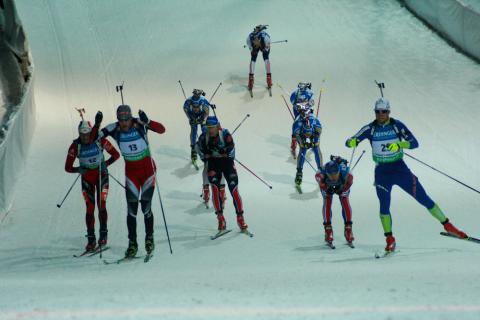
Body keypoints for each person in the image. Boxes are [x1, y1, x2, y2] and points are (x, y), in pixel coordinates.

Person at [345, 97, 467, 253]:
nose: (381, 114)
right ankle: (389, 239)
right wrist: (352, 142)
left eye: (384, 111)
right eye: (378, 111)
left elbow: (414, 143)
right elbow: (350, 141)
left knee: (423, 198)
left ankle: (448, 226)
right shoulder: (370, 129)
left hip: (400, 169)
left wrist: (400, 144)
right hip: (382, 172)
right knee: (384, 206)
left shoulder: (397, 126)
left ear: (389, 111)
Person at [94, 105, 166, 258]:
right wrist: (97, 125)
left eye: (126, 120)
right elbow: (96, 137)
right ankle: (132, 243)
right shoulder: (114, 128)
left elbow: (162, 130)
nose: (124, 123)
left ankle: (149, 238)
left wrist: (149, 122)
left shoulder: (139, 123)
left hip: (147, 171)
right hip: (131, 173)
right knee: (131, 211)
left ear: (130, 118)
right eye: (121, 120)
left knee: (146, 207)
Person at [65, 120, 120, 251]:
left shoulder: (100, 141)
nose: (85, 137)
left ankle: (103, 236)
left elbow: (116, 155)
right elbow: (67, 167)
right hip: (87, 180)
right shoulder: (75, 146)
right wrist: (78, 169)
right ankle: (91, 240)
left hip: (102, 176)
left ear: (91, 133)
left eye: (87, 134)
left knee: (101, 204)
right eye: (82, 134)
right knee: (90, 208)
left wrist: (105, 164)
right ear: (79, 133)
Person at [197, 116, 248, 232]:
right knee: (215, 189)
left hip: (227, 164)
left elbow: (231, 147)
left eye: (213, 127)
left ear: (218, 126)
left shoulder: (225, 134)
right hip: (213, 165)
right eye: (208, 128)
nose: (211, 130)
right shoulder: (203, 137)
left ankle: (240, 217)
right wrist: (206, 156)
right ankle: (220, 218)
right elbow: (200, 150)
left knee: (234, 190)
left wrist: (223, 151)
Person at [315, 156, 354, 246]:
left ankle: (348, 229)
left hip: (342, 184)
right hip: (327, 185)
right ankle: (328, 229)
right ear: (326, 173)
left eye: (335, 174)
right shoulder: (320, 175)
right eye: (330, 175)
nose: (333, 177)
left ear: (339, 171)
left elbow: (349, 183)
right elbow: (321, 184)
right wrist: (326, 188)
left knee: (344, 200)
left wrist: (343, 189)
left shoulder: (347, 174)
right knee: (327, 200)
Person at [195, 126, 226, 208]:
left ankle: (221, 195)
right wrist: (204, 157)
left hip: (218, 159)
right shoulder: (202, 137)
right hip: (209, 160)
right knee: (207, 171)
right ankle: (207, 194)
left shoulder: (220, 135)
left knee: (220, 172)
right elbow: (198, 147)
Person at [292, 106, 323, 185]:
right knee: (303, 150)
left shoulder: (316, 125)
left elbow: (318, 137)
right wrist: (303, 143)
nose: (308, 136)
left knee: (316, 148)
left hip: (313, 133)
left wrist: (314, 142)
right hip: (300, 134)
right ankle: (299, 172)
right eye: (306, 134)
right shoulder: (297, 125)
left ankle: (321, 170)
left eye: (309, 134)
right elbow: (296, 136)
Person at [183, 89, 210, 162]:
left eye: (197, 107)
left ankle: (206, 147)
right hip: (193, 115)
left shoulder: (203, 101)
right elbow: (185, 110)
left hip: (202, 115)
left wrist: (203, 120)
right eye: (194, 107)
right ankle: (193, 149)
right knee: (194, 130)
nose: (196, 108)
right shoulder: (188, 101)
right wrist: (190, 118)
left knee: (204, 130)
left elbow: (207, 113)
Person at [290, 83, 315, 157]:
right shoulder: (295, 92)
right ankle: (293, 145)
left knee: (309, 125)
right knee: (296, 127)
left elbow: (312, 102)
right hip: (298, 113)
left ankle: (313, 142)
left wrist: (304, 106)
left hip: (306, 112)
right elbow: (292, 101)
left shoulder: (310, 92)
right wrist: (299, 106)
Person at [246, 24, 272, 90]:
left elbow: (267, 46)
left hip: (264, 44)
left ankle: (268, 78)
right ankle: (251, 79)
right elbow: (249, 45)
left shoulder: (265, 38)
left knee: (264, 57)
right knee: (256, 58)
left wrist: (265, 49)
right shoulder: (249, 38)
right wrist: (252, 49)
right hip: (257, 45)